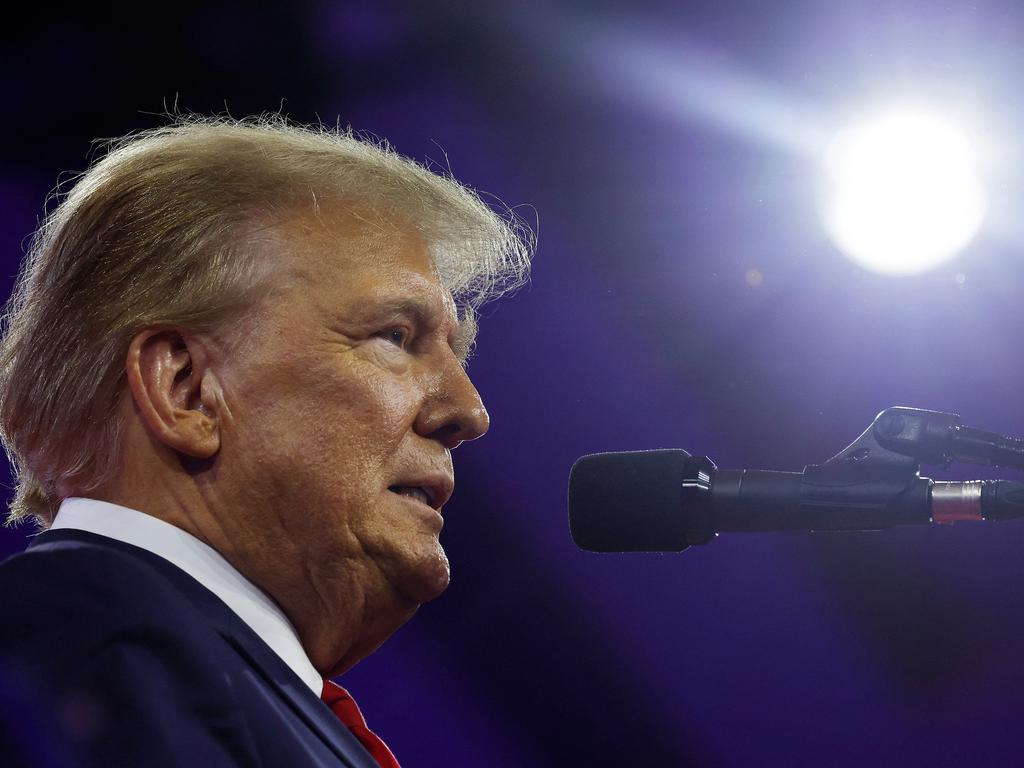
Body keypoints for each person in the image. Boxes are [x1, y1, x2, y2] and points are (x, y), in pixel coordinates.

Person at [0, 117, 533, 767]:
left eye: (455, 352)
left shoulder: (199, 667)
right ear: (188, 390)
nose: (468, 411)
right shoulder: (91, 638)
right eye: (395, 336)